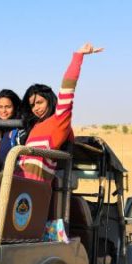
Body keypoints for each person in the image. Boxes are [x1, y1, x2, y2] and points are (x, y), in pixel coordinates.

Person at [16, 42, 103, 183]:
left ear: (50, 100)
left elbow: (67, 88)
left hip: (35, 190)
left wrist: (78, 56)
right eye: (32, 105)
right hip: (19, 184)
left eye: (39, 103)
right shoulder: (34, 127)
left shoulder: (58, 121)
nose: (35, 108)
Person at [0, 89, 25, 163]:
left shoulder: (21, 132)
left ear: (15, 108)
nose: (3, 110)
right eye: (0, 107)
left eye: (8, 107)